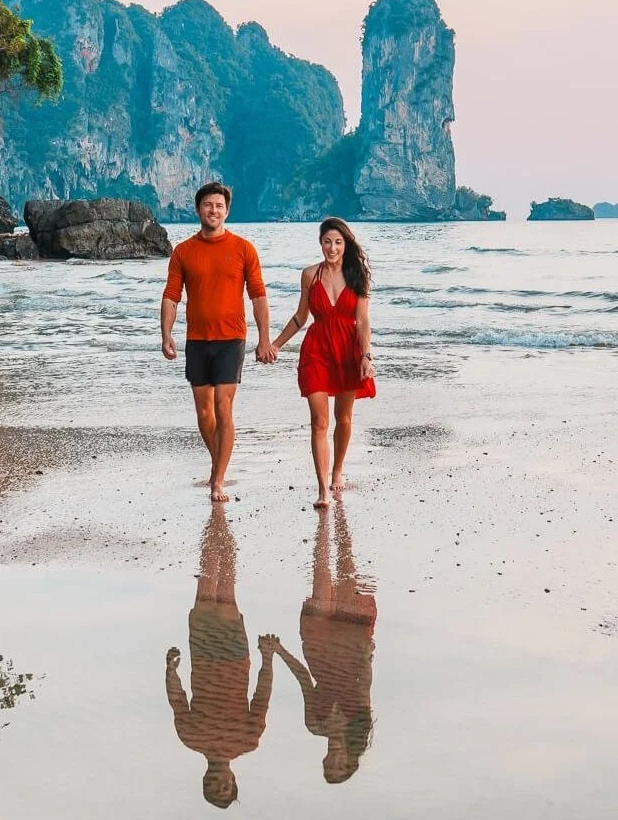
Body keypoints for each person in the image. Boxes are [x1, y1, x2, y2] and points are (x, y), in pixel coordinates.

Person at [161, 182, 273, 502]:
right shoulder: (183, 251)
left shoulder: (243, 249)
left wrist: (264, 338)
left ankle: (218, 480)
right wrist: (166, 335)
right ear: (198, 210)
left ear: (227, 211)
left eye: (219, 206)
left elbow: (258, 296)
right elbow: (171, 297)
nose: (214, 210)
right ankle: (218, 463)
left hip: (232, 339)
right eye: (208, 205)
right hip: (196, 340)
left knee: (224, 408)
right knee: (204, 413)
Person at [166, 504, 278, 809]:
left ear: (206, 780)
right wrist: (268, 658)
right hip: (233, 662)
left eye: (215, 786)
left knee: (206, 593)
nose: (222, 782)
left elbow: (177, 700)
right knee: (226, 592)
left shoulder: (190, 738)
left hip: (203, 660)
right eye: (226, 787)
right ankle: (221, 525)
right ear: (233, 781)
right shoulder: (249, 740)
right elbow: (262, 696)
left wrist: (171, 671)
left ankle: (216, 525)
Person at [268, 217, 375, 507]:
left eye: (338, 242)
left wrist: (366, 355)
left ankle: (337, 471)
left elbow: (363, 321)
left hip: (348, 352)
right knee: (319, 421)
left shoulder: (357, 276)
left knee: (344, 418)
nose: (332, 247)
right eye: (327, 241)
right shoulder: (309, 276)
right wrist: (275, 344)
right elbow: (300, 317)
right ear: (320, 243)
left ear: (346, 244)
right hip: (316, 350)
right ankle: (322, 489)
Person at [273, 502, 376, 785]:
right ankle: (339, 518)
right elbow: (364, 682)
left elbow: (304, 680)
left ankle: (323, 522)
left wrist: (279, 651)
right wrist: (365, 647)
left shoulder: (314, 724)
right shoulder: (359, 720)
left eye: (328, 766)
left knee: (320, 576)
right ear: (350, 760)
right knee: (347, 571)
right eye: (339, 765)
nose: (332, 760)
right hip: (351, 647)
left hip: (317, 648)